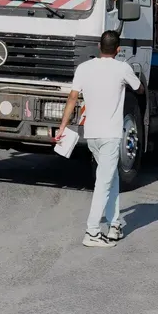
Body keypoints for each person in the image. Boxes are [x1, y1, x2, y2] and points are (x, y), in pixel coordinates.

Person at [55, 30, 144, 248]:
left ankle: (114, 225)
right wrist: (139, 86)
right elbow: (139, 89)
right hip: (111, 135)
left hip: (92, 134)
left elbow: (72, 98)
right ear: (118, 50)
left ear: (98, 46)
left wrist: (62, 127)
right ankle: (92, 232)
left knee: (111, 177)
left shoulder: (84, 68)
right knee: (103, 183)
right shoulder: (123, 68)